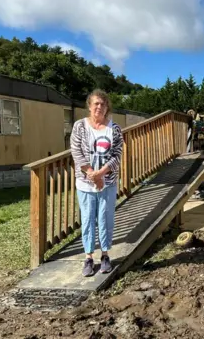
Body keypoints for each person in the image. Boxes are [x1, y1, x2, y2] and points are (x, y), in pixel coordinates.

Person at [70, 89, 124, 277]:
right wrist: (93, 174)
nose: (99, 107)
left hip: (107, 183)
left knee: (105, 219)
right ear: (89, 106)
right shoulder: (80, 126)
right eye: (96, 104)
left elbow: (117, 155)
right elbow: (76, 152)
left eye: (102, 104)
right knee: (87, 220)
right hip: (85, 183)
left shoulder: (114, 129)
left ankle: (105, 255)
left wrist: (102, 174)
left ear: (107, 107)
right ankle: (88, 257)